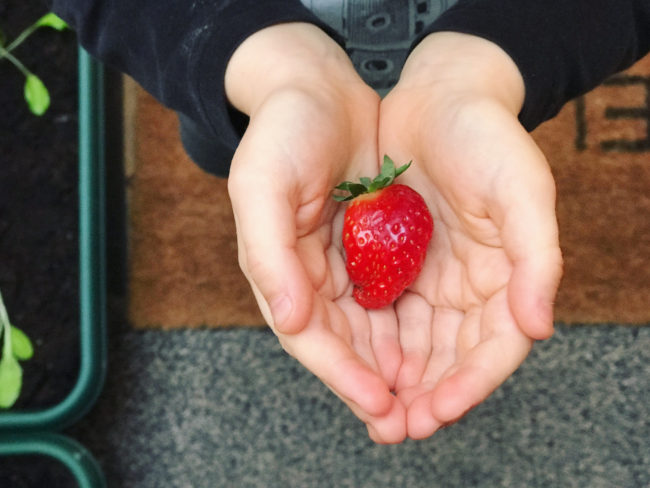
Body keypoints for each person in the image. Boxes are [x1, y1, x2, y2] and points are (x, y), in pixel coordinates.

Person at [51, 0, 650, 443]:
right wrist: (260, 61)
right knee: (234, 151)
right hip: (238, 60)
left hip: (506, 49)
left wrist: (495, 60)